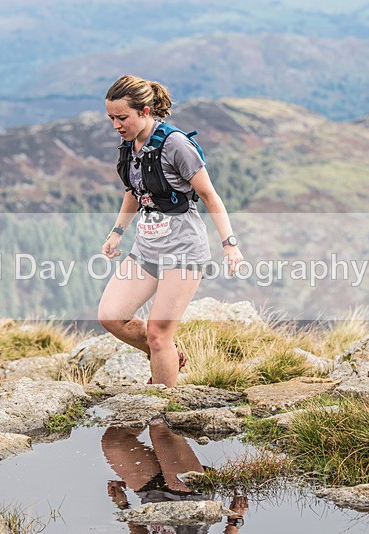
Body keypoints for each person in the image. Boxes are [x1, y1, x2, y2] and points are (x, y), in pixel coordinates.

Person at [98, 75, 243, 387]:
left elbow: (209, 195)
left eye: (122, 118)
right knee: (111, 316)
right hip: (146, 249)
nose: (116, 125)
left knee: (158, 334)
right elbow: (134, 191)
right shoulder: (129, 146)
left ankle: (162, 413)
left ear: (146, 111)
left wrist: (229, 244)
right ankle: (170, 357)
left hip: (183, 252)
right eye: (111, 118)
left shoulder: (177, 145)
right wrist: (117, 232)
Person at [102, 424, 248, 533]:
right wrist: (235, 520)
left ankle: (148, 393)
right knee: (161, 430)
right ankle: (162, 389)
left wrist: (123, 505)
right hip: (190, 498)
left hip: (151, 496)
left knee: (114, 443)